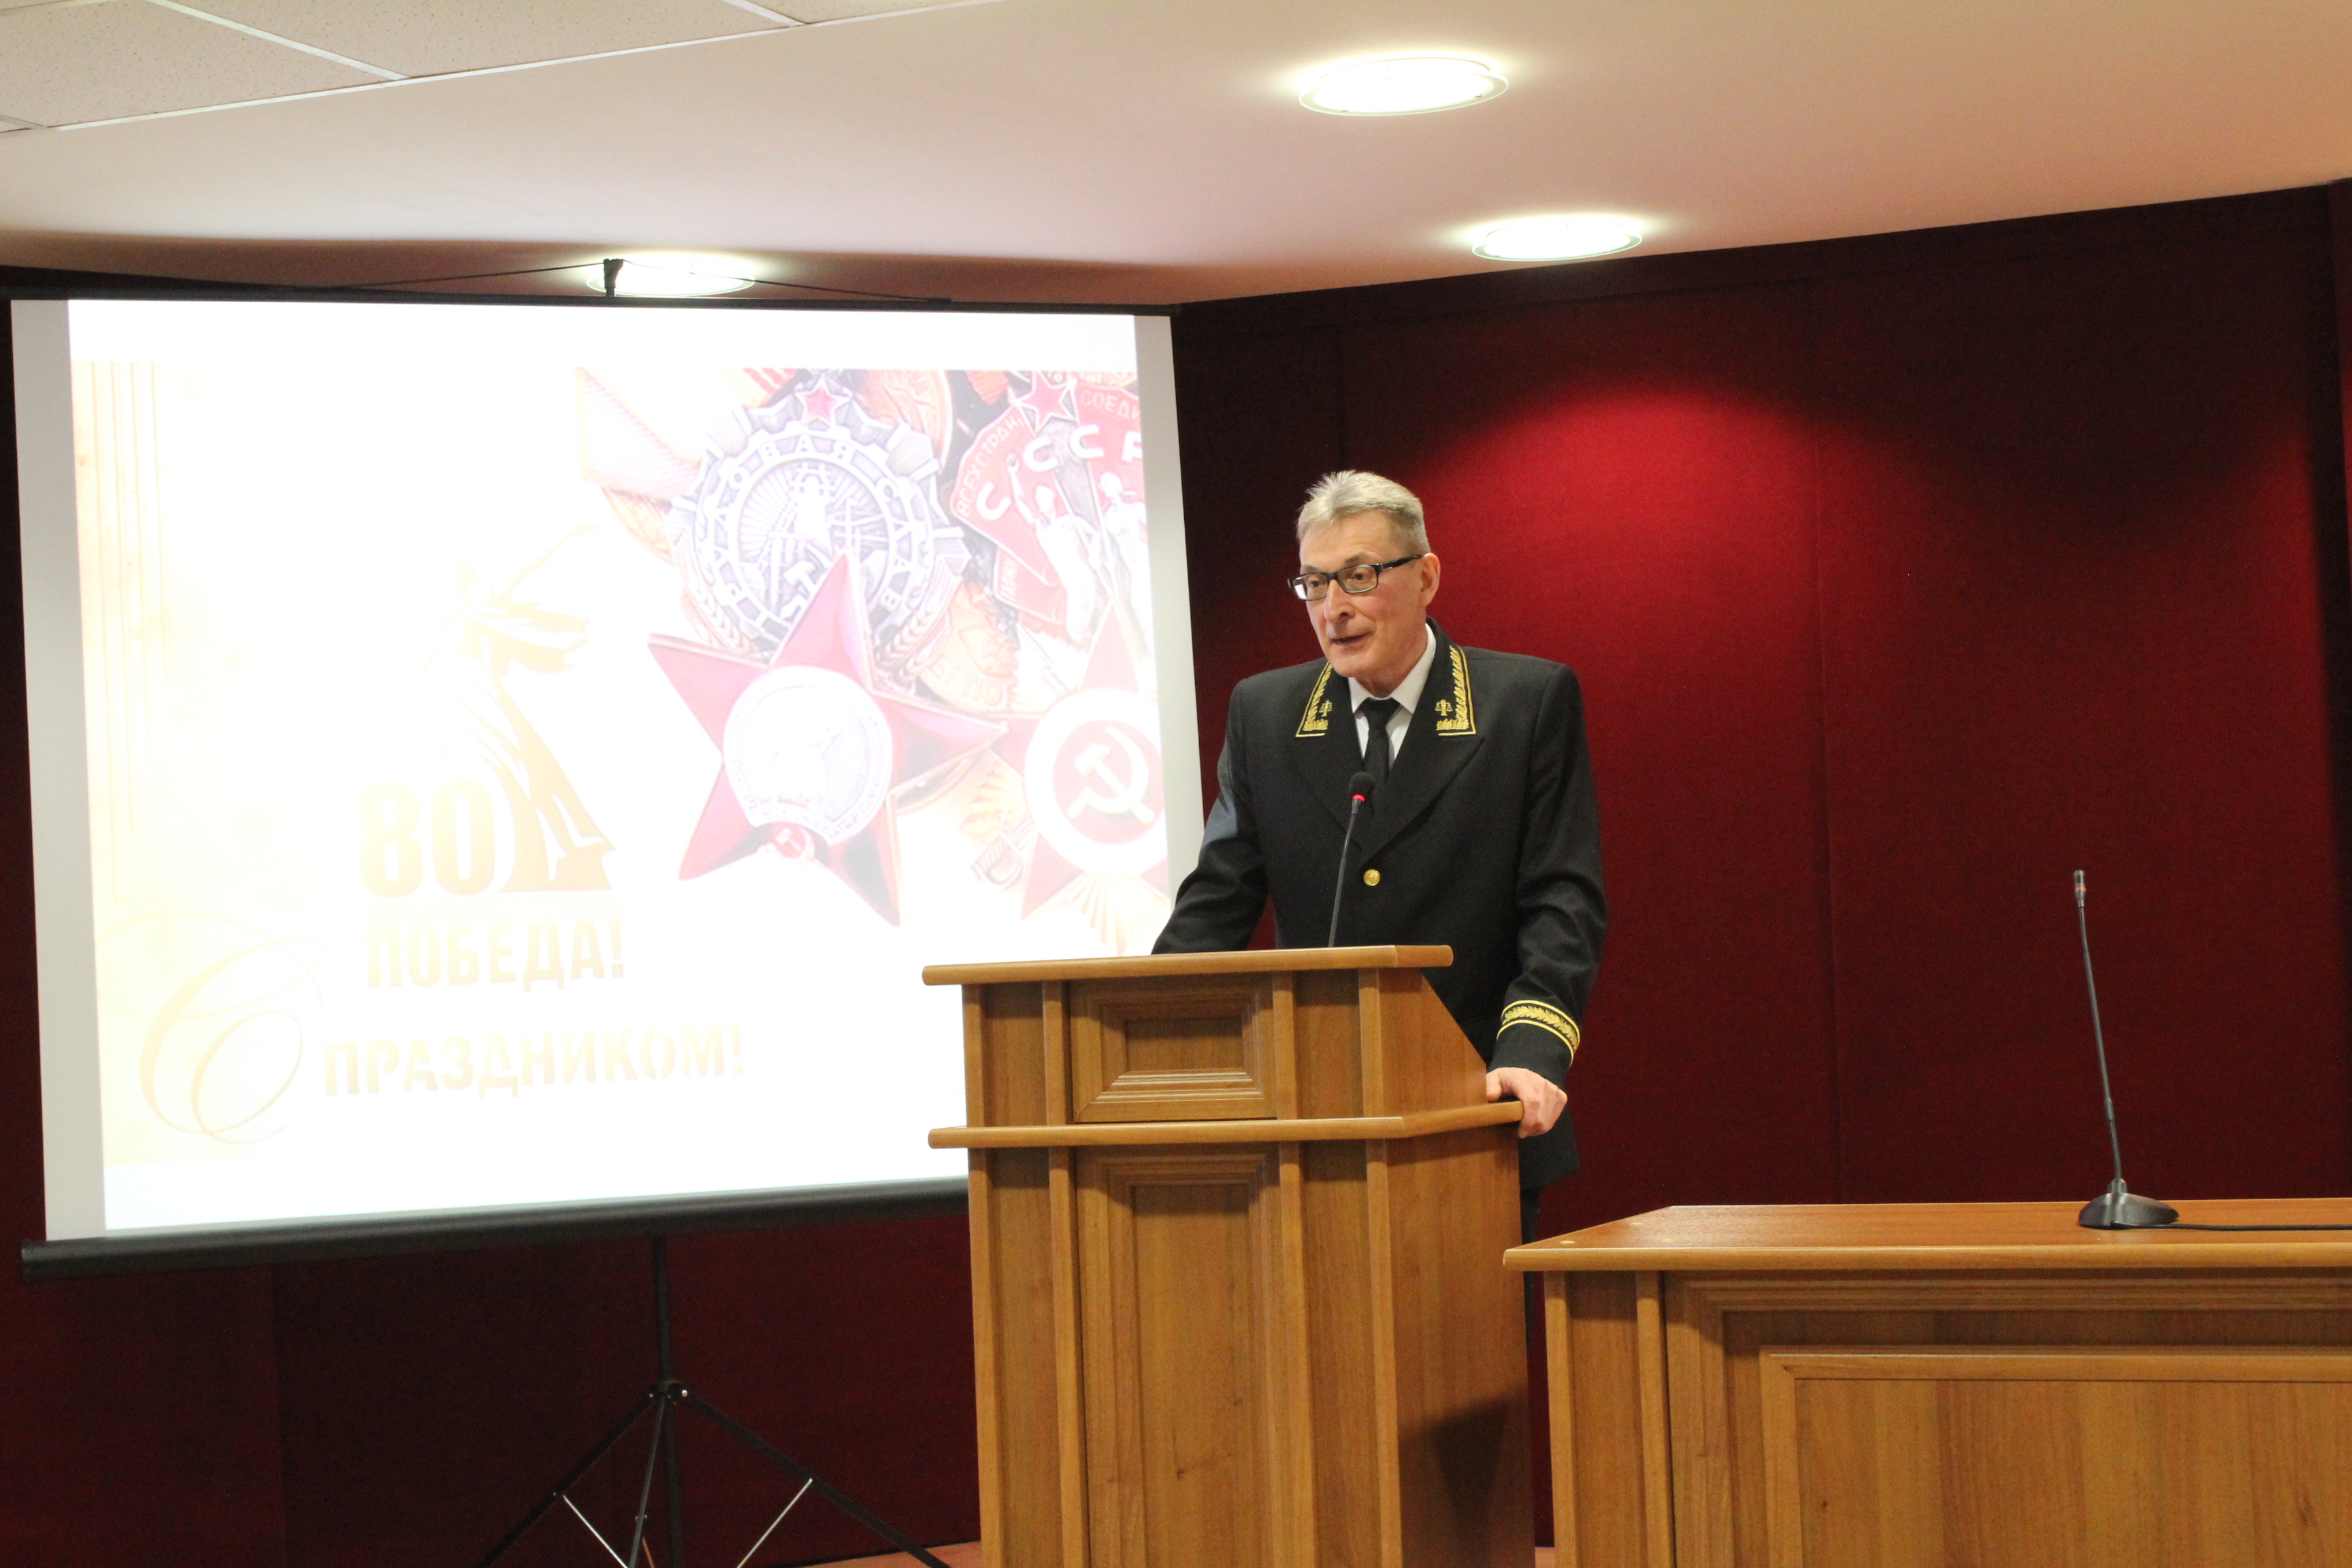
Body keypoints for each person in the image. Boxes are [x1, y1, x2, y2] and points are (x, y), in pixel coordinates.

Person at [1154, 471, 1606, 1241]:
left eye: (1359, 577)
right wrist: (1143, 1041)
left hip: (1473, 1116)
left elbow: (1563, 905)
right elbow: (1214, 907)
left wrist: (1531, 1055)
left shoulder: (1524, 704)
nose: (1334, 607)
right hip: (1305, 1130)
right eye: (1314, 583)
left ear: (1425, 577)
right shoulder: (1267, 714)